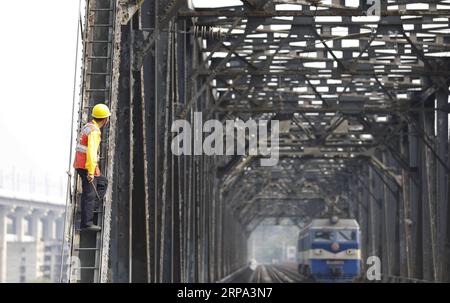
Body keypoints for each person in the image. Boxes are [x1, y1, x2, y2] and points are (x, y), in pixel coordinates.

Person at [73, 104, 111, 231]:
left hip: (80, 164)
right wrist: (91, 172)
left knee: (102, 182)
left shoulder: (88, 126)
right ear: (105, 119)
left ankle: (90, 207)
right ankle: (87, 223)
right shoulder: (94, 131)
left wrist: (95, 169)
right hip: (85, 166)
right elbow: (91, 153)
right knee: (89, 194)